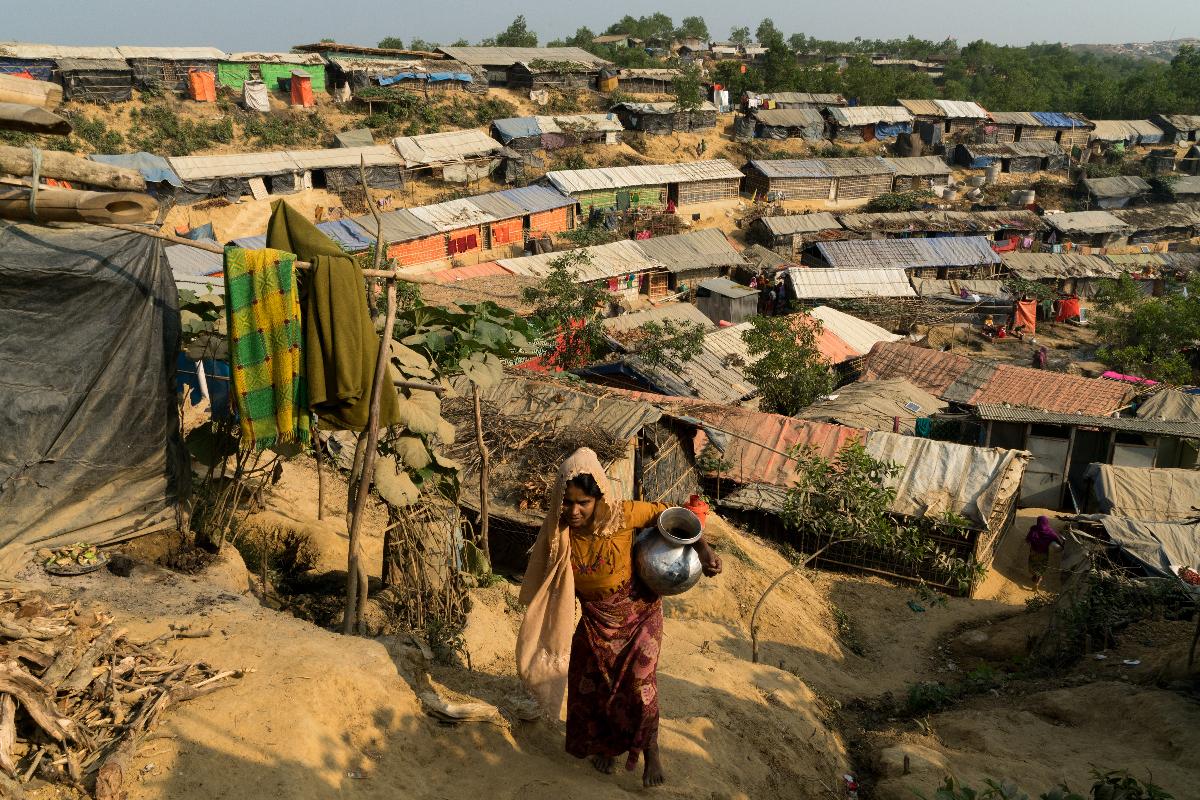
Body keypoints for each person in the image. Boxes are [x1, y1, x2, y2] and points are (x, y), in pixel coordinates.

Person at [516, 448, 721, 788]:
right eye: (567, 502)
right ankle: (608, 747)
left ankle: (651, 751)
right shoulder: (558, 533)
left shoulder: (623, 515)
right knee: (593, 684)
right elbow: (544, 576)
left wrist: (705, 552)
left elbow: (677, 518)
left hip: (639, 614)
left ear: (598, 498)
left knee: (640, 686)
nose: (574, 510)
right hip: (595, 620)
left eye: (583, 502)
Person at [1025, 515, 1063, 591]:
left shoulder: (1034, 529)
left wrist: (1030, 541)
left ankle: (1035, 576)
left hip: (1034, 552)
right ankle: (1037, 582)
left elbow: (1028, 539)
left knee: (1033, 565)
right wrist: (1061, 545)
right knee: (1041, 567)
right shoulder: (1050, 532)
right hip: (1044, 553)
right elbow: (1057, 540)